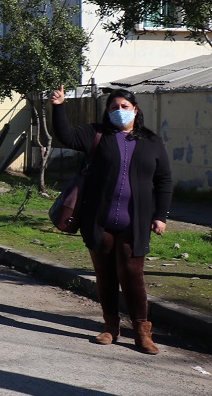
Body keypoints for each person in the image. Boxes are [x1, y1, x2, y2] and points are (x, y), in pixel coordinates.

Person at [50, 88, 172, 353]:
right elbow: (65, 136)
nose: (120, 111)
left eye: (125, 106)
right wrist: (59, 106)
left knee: (132, 275)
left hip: (135, 222)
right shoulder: (97, 134)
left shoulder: (151, 141)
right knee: (105, 275)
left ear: (136, 110)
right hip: (99, 220)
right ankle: (110, 327)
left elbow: (164, 181)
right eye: (114, 106)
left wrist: (160, 216)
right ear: (107, 111)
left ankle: (142, 331)